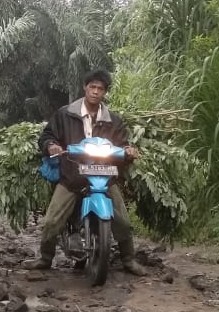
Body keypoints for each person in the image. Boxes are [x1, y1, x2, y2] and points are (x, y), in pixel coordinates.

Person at [26, 69, 147, 275]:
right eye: (92, 87)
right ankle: (45, 259)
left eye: (100, 89)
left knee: (124, 222)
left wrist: (128, 152)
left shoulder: (113, 121)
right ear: (85, 88)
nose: (96, 92)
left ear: (105, 93)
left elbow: (122, 145)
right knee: (52, 220)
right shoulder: (65, 114)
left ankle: (128, 260)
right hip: (73, 175)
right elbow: (46, 136)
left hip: (104, 176)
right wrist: (51, 145)